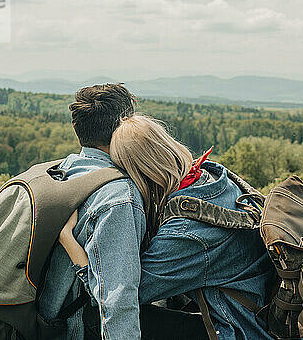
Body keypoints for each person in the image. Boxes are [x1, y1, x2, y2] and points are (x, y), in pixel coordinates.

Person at [60, 115, 277, 340]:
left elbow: (121, 295)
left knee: (95, 319)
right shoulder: (212, 177)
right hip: (256, 316)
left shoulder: (186, 232)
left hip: (239, 330)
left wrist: (68, 240)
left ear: (139, 172)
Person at [37, 84, 146, 339]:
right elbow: (117, 299)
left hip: (48, 318)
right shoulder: (118, 198)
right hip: (81, 326)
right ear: (124, 129)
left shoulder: (61, 171)